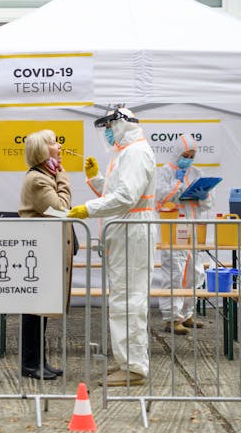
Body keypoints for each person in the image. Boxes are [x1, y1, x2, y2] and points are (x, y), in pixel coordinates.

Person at [68, 107, 156, 387]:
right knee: (125, 298)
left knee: (127, 300)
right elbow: (115, 193)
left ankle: (133, 367)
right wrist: (95, 180)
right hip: (127, 231)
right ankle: (128, 362)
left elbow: (126, 197)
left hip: (132, 231)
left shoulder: (135, 153)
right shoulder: (126, 152)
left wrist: (86, 209)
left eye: (108, 125)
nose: (106, 132)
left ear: (120, 123)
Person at [17, 130, 73, 380]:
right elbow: (61, 209)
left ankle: (40, 361)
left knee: (42, 309)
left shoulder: (46, 175)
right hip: (38, 249)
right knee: (33, 309)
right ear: (41, 151)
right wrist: (63, 177)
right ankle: (30, 364)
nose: (58, 145)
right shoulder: (38, 180)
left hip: (45, 249)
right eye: (52, 142)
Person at [156, 134, 213, 334]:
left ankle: (187, 314)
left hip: (193, 228)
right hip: (173, 228)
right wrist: (177, 186)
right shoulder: (163, 173)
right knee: (174, 272)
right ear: (176, 152)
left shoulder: (197, 173)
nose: (187, 159)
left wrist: (203, 195)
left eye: (191, 155)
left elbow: (208, 204)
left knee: (194, 272)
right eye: (185, 154)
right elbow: (160, 197)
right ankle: (171, 318)